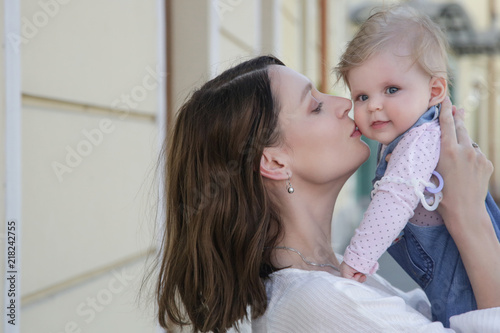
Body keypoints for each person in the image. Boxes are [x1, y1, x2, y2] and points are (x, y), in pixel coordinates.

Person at [154, 55, 500, 332]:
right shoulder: (320, 299)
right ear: (274, 161)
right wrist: (469, 214)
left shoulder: (330, 273)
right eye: (315, 106)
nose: (344, 104)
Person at [334, 5, 500, 326]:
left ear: (435, 91)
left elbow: (394, 199)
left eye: (391, 90)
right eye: (362, 96)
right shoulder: (410, 133)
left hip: (464, 280)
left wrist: (359, 257)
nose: (374, 106)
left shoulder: (420, 139)